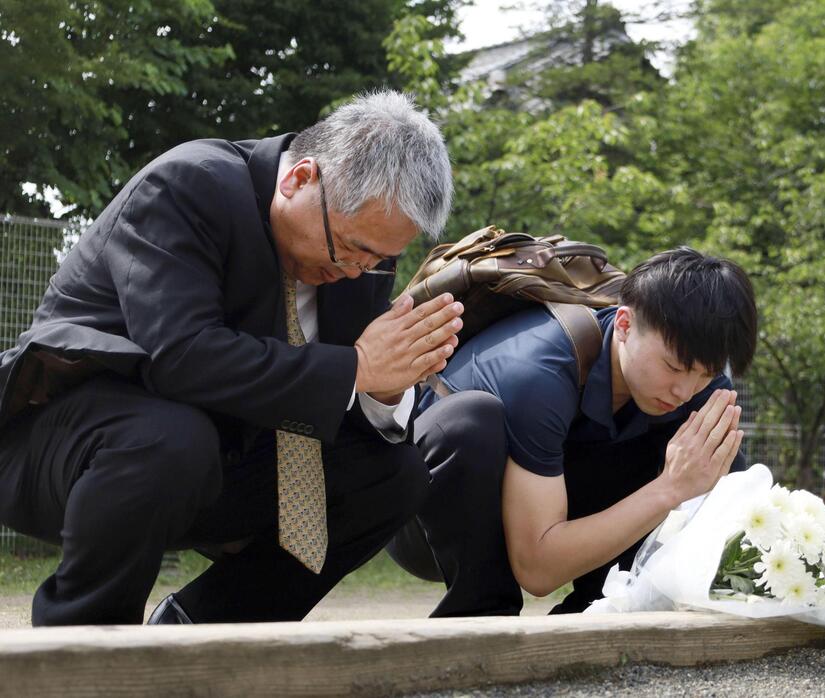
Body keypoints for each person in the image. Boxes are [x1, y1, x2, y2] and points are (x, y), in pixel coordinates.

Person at [0, 90, 463, 626]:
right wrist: (358, 367)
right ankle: (81, 646)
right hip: (60, 448)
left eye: (382, 259)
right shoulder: (188, 185)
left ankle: (203, 628)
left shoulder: (358, 263)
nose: (360, 271)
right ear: (299, 179)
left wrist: (384, 387)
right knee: (170, 437)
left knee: (394, 473)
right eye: (352, 249)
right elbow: (181, 357)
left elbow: (332, 397)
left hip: (213, 460)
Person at [387, 247, 758, 616]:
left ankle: (602, 610)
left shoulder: (693, 386)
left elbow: (743, 512)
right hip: (422, 517)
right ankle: (481, 617)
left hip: (546, 499)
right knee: (472, 419)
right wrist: (670, 488)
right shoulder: (539, 370)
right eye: (674, 367)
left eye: (706, 374)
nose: (685, 390)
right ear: (625, 325)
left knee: (683, 443)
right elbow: (537, 571)